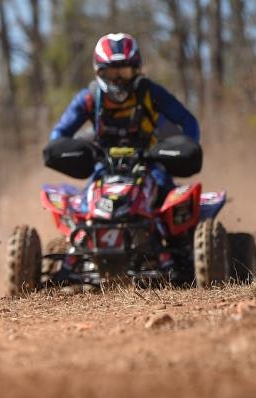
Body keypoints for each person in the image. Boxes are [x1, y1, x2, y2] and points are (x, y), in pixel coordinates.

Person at [48, 32, 200, 281]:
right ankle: (77, 253)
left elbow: (188, 122)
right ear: (99, 72)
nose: (118, 79)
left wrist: (185, 149)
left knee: (171, 202)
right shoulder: (90, 97)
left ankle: (183, 255)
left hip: (149, 164)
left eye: (125, 72)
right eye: (112, 73)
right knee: (84, 206)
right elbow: (59, 135)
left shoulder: (150, 92)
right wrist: (76, 152)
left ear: (136, 69)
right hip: (103, 167)